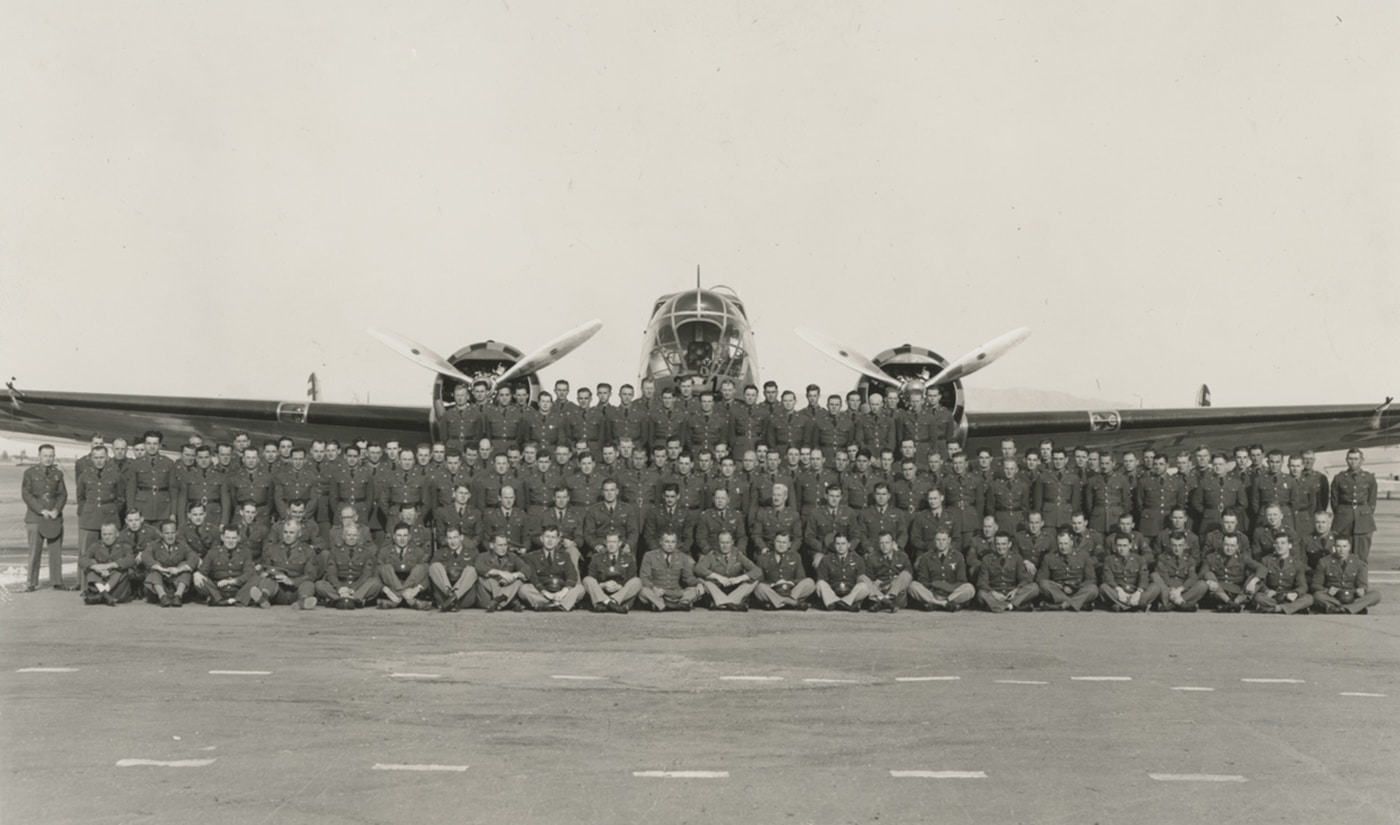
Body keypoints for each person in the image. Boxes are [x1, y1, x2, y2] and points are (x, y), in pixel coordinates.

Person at [22, 443, 69, 592]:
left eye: (51, 455)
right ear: (39, 456)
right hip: (35, 517)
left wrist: (56, 510)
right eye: (45, 455)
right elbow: (26, 494)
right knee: (35, 551)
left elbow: (63, 494)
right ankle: (31, 582)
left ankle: (57, 581)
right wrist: (41, 510)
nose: (48, 459)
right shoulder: (29, 473)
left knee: (55, 552)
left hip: (54, 517)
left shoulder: (58, 474)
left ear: (54, 456)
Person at [316, 522, 382, 609]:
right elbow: (331, 574)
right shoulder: (335, 551)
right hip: (341, 585)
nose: (351, 538)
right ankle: (353, 600)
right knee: (319, 585)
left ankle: (344, 599)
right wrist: (340, 588)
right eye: (349, 535)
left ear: (358, 537)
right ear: (343, 536)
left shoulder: (366, 552)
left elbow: (366, 575)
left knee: (376, 583)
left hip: (358, 586)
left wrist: (353, 589)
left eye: (354, 535)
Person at [908, 528, 974, 611]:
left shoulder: (958, 557)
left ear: (949, 540)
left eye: (944, 539)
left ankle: (938, 603)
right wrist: (935, 587)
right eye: (938, 539)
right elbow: (922, 580)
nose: (941, 543)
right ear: (934, 541)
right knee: (913, 585)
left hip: (952, 593)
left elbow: (962, 580)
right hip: (932, 593)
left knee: (970, 588)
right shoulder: (926, 557)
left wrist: (947, 588)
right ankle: (943, 604)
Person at [75, 446, 123, 562]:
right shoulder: (85, 475)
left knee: (112, 554)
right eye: (96, 457)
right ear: (91, 458)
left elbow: (121, 498)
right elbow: (80, 497)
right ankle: (84, 581)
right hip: (89, 519)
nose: (99, 460)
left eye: (102, 457)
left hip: (109, 517)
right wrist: (85, 511)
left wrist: (112, 510)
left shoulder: (115, 475)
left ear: (107, 457)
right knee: (86, 553)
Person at [520, 526, 584, 611]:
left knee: (580, 589)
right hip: (542, 591)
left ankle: (549, 605)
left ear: (558, 540)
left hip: (561, 590)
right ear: (542, 539)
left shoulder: (565, 555)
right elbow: (533, 578)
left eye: (553, 537)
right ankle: (559, 604)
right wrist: (546, 593)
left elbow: (572, 575)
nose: (550, 540)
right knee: (523, 589)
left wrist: (563, 592)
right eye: (547, 537)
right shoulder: (532, 556)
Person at [1311, 537, 1380, 615]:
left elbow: (1363, 583)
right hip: (1333, 597)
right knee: (1317, 596)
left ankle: (1341, 609)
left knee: (1376, 595)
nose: (1341, 550)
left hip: (1352, 596)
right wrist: (1327, 590)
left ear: (1349, 547)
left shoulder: (1358, 563)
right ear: (1334, 547)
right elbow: (1315, 585)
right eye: (1338, 546)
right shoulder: (1324, 562)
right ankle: (1355, 608)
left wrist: (1362, 589)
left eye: (1344, 546)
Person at [695, 529, 760, 610]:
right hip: (717, 590)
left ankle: (722, 604)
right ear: (718, 543)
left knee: (754, 580)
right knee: (703, 581)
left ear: (732, 542)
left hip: (734, 590)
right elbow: (698, 569)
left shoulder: (738, 554)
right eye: (722, 543)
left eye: (727, 543)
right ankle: (732, 604)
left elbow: (757, 571)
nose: (725, 546)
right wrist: (717, 577)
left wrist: (738, 579)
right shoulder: (712, 555)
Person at [638, 530, 703, 611]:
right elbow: (644, 578)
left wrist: (698, 583)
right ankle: (669, 605)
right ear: (661, 542)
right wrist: (654, 588)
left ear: (676, 543)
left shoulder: (682, 556)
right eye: (667, 541)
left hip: (676, 593)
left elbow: (688, 577)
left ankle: (669, 605)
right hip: (658, 592)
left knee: (695, 590)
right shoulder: (649, 556)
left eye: (673, 542)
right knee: (642, 591)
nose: (670, 545)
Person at [1249, 534, 1314, 615]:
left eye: (1283, 543)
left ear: (1289, 546)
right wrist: (1266, 591)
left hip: (1288, 596)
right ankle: (1291, 608)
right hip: (1272, 597)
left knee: (1309, 598)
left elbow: (1302, 586)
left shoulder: (1297, 564)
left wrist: (1295, 593)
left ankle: (1276, 609)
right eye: (1277, 543)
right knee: (1257, 597)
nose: (1279, 546)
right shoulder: (1266, 560)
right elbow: (1261, 581)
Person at [1331, 449, 1377, 562]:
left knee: (1361, 557)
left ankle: (1361, 579)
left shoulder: (1369, 478)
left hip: (1363, 521)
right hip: (1343, 520)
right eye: (1350, 459)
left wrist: (1365, 514)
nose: (1352, 462)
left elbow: (1372, 502)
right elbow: (1334, 502)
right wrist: (1343, 514)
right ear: (1346, 460)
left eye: (1356, 459)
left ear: (1362, 460)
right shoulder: (1339, 478)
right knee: (1342, 556)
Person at [192, 526, 256, 607]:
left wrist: (232, 581)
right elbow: (203, 571)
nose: (230, 541)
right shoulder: (213, 552)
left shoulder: (246, 552)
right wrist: (197, 574)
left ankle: (236, 599)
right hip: (218, 589)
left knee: (256, 579)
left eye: (234, 538)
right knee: (199, 579)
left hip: (238, 589)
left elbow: (249, 573)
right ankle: (220, 600)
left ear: (239, 538)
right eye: (227, 538)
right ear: (222, 537)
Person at [976, 531, 1039, 612]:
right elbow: (982, 582)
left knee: (1034, 587)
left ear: (1009, 544)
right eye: (998, 544)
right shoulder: (987, 559)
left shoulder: (1017, 558)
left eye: (1003, 544)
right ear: (994, 545)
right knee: (981, 594)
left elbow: (1024, 579)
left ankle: (1002, 606)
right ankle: (1012, 606)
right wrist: (993, 593)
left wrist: (1016, 591)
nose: (1000, 547)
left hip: (1011, 593)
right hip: (995, 594)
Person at [376, 522, 433, 610]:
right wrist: (386, 590)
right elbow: (376, 575)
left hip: (411, 588)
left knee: (420, 568)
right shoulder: (384, 552)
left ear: (409, 536)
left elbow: (426, 575)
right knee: (385, 568)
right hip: (391, 588)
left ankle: (397, 599)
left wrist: (416, 590)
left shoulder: (418, 551)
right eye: (399, 535)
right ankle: (408, 599)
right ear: (394, 537)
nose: (402, 539)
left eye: (405, 535)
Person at [1036, 530, 1097, 611]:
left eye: (1066, 544)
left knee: (1093, 589)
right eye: (1060, 544)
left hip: (1078, 589)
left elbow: (1091, 579)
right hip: (1059, 591)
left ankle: (1062, 605)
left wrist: (1075, 587)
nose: (1063, 547)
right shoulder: (1049, 557)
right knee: (1044, 584)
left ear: (1071, 543)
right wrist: (1060, 586)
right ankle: (1077, 604)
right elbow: (1041, 579)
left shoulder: (1083, 556)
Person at [583, 530, 642, 613]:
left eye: (614, 542)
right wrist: (603, 585)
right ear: (605, 543)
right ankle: (609, 602)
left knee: (637, 582)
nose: (611, 545)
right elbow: (592, 577)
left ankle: (611, 601)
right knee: (587, 580)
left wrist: (620, 587)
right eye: (609, 542)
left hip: (621, 594)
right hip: (602, 592)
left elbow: (631, 578)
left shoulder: (628, 558)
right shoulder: (597, 557)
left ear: (620, 543)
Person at [752, 531, 814, 610]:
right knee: (759, 587)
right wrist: (774, 584)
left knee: (809, 582)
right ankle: (792, 603)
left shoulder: (795, 556)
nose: (781, 545)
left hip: (791, 591)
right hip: (773, 590)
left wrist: (790, 582)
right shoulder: (763, 558)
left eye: (784, 542)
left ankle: (780, 603)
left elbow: (801, 577)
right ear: (774, 542)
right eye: (778, 542)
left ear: (789, 544)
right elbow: (760, 580)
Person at [142, 520, 198, 607]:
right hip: (159, 584)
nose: (170, 536)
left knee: (185, 568)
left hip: (176, 582)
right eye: (167, 533)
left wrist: (179, 569)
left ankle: (178, 596)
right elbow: (145, 556)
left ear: (177, 532)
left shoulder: (182, 545)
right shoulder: (154, 545)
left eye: (172, 533)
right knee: (154, 571)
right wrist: (162, 569)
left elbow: (194, 558)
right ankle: (163, 597)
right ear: (161, 534)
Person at [1199, 533, 1260, 613]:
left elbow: (1262, 568)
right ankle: (1232, 604)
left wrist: (1253, 581)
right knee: (1209, 575)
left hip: (1237, 591)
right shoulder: (1211, 557)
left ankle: (1234, 603)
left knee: (1257, 578)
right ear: (1222, 544)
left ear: (1237, 546)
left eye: (1232, 545)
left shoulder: (1242, 558)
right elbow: (1201, 574)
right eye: (1226, 545)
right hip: (1218, 591)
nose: (1229, 548)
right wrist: (1209, 580)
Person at [1098, 533, 1159, 612]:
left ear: (1130, 545)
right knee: (1103, 587)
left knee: (1155, 586)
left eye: (1124, 546)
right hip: (1119, 592)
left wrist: (1138, 592)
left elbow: (1143, 577)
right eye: (1119, 545)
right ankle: (1138, 605)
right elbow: (1108, 577)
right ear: (1115, 546)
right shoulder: (1109, 560)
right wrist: (1119, 590)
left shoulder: (1139, 559)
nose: (1122, 549)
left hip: (1135, 591)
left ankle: (1122, 606)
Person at [127, 430, 178, 523]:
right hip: (142, 509)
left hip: (163, 509)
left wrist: (173, 513)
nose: (152, 446)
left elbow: (173, 490)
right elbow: (131, 489)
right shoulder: (136, 464)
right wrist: (131, 510)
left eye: (155, 443)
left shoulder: (169, 463)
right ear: (145, 445)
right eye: (149, 443)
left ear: (160, 445)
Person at [79, 522, 133, 605]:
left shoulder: (124, 546)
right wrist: (95, 567)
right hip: (101, 579)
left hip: (117, 588)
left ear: (117, 534)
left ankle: (101, 595)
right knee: (89, 566)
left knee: (122, 567)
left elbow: (130, 560)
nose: (107, 537)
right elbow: (82, 559)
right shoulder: (96, 546)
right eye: (104, 534)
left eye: (110, 534)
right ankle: (104, 594)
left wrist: (110, 565)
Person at [428, 526, 480, 612]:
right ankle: (451, 597)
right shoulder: (439, 554)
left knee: (472, 570)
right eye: (449, 538)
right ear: (446, 539)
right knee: (434, 566)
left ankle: (454, 597)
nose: (453, 541)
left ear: (461, 537)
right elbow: (432, 573)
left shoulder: (472, 554)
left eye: (455, 537)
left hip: (464, 599)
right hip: (444, 598)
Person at [815, 533, 871, 612]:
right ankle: (845, 605)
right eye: (838, 544)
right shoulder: (826, 559)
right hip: (833, 592)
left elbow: (860, 579)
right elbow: (821, 579)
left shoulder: (858, 559)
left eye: (843, 543)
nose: (840, 546)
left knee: (864, 586)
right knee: (820, 583)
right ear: (834, 545)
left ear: (848, 545)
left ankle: (839, 603)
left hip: (851, 592)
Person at [476, 534, 531, 612]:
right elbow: (479, 567)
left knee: (519, 581)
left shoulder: (512, 557)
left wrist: (514, 575)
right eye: (500, 545)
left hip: (499, 595)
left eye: (505, 545)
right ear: (492, 545)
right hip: (487, 597)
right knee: (483, 578)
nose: (503, 548)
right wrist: (500, 573)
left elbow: (527, 569)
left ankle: (498, 601)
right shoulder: (483, 556)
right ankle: (509, 601)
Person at [863, 530, 913, 612]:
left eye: (887, 542)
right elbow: (869, 577)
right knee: (863, 579)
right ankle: (886, 601)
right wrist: (874, 582)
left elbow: (909, 576)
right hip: (880, 590)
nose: (884, 546)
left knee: (905, 574)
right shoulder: (872, 558)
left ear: (893, 543)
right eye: (881, 543)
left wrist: (898, 581)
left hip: (897, 595)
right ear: (878, 544)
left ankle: (885, 599)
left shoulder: (902, 556)